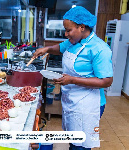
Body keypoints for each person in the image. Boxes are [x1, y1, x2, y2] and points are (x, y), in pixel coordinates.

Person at [33, 6, 113, 150]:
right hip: (72, 100)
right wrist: (46, 49)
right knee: (72, 139)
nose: (65, 34)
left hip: (88, 104)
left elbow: (107, 81)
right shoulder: (73, 42)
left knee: (81, 145)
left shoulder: (100, 49)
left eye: (68, 30)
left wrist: (72, 80)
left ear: (82, 27)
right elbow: (59, 48)